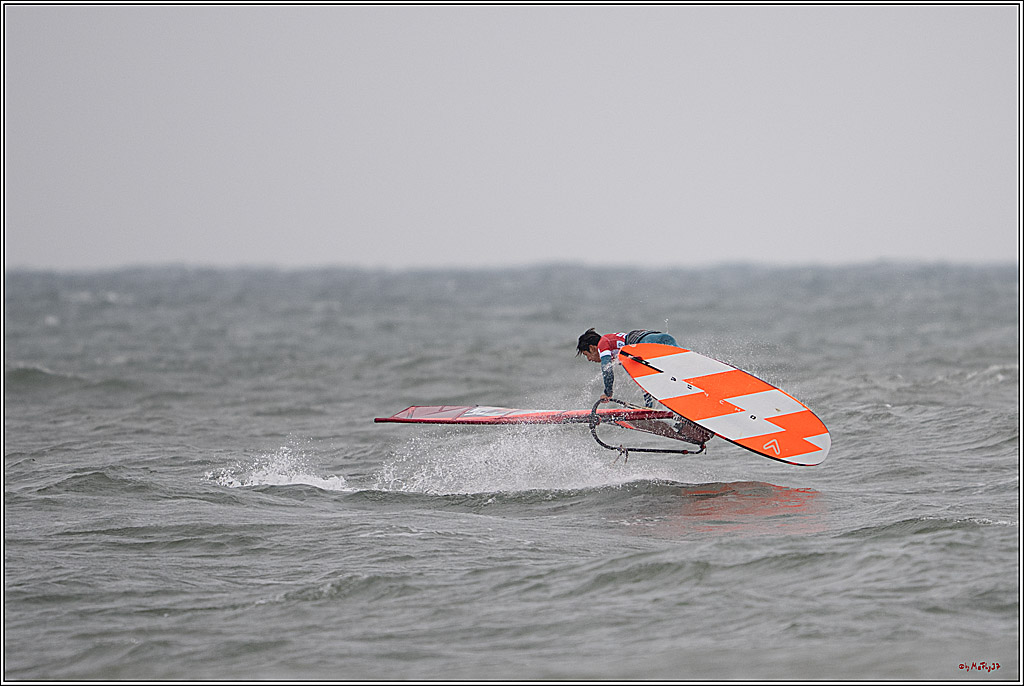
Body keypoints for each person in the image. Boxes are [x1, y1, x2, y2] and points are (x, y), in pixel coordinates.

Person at [575, 328, 679, 404]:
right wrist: (649, 405)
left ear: (592, 348)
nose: (589, 359)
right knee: (674, 374)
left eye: (586, 354)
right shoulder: (623, 355)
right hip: (662, 339)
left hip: (647, 342)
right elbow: (643, 381)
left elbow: (607, 370)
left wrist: (608, 393)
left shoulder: (603, 343)